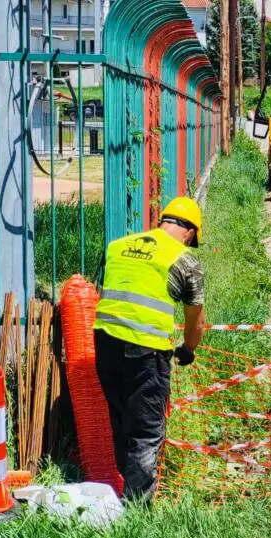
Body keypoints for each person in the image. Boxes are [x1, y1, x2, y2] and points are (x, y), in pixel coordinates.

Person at [93, 196, 206, 503]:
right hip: (146, 352)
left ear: (164, 222)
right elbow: (195, 321)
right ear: (191, 232)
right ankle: (136, 512)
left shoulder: (118, 246)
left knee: (120, 420)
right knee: (146, 430)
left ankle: (126, 488)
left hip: (104, 344)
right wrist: (188, 349)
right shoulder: (184, 259)